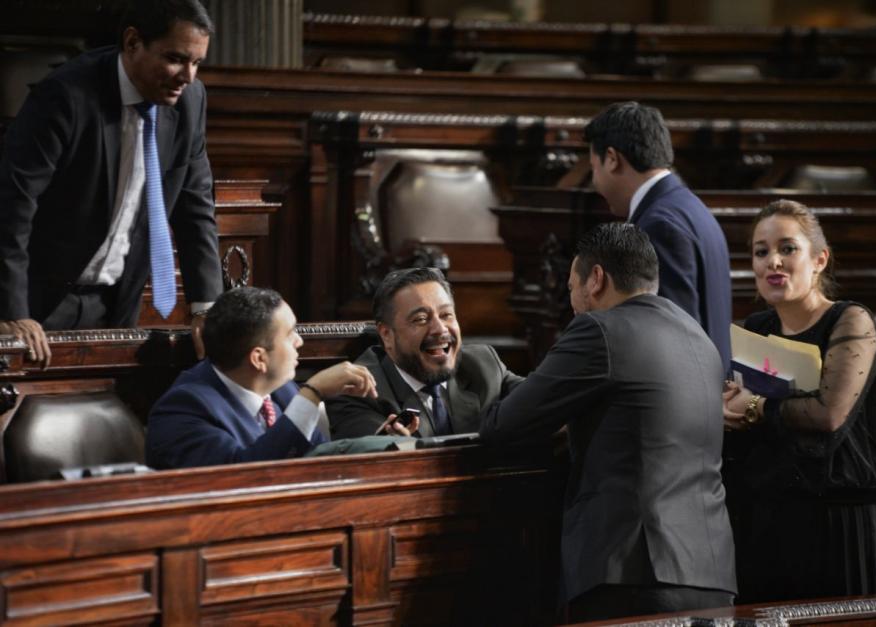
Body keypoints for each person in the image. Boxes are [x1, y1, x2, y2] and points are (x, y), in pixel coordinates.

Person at [479, 223, 736, 622]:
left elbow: (504, 427)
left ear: (596, 279)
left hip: (631, 574)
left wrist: (479, 376)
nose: (573, 304)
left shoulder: (600, 330)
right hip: (711, 573)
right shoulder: (698, 338)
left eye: (571, 289)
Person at [0, 0, 224, 368]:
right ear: (133, 43)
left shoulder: (190, 101)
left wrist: (206, 307)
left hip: (117, 302)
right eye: (176, 58)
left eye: (197, 62)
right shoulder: (66, 95)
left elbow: (196, 205)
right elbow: (13, 206)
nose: (188, 76)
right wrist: (12, 311)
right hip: (37, 303)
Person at [722, 199, 876, 602]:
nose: (772, 263)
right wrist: (726, 405)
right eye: (761, 252)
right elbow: (739, 405)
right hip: (769, 511)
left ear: (819, 260)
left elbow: (828, 414)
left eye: (787, 249)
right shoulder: (758, 326)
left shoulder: (850, 321)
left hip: (840, 515)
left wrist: (755, 407)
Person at [146, 287, 377, 469]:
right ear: (258, 358)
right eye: (290, 334)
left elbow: (320, 458)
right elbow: (246, 477)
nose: (300, 342)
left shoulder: (282, 389)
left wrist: (380, 444)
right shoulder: (183, 410)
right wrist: (313, 392)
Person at [583, 101, 732, 372]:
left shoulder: (659, 225)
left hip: (686, 405)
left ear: (613, 159)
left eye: (594, 168)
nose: (595, 181)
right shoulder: (691, 208)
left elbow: (676, 339)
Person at [325, 267, 524, 439]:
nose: (440, 329)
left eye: (446, 315)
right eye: (420, 319)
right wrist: (389, 445)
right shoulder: (358, 391)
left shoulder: (484, 365)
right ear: (386, 335)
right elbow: (371, 461)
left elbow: (541, 400)